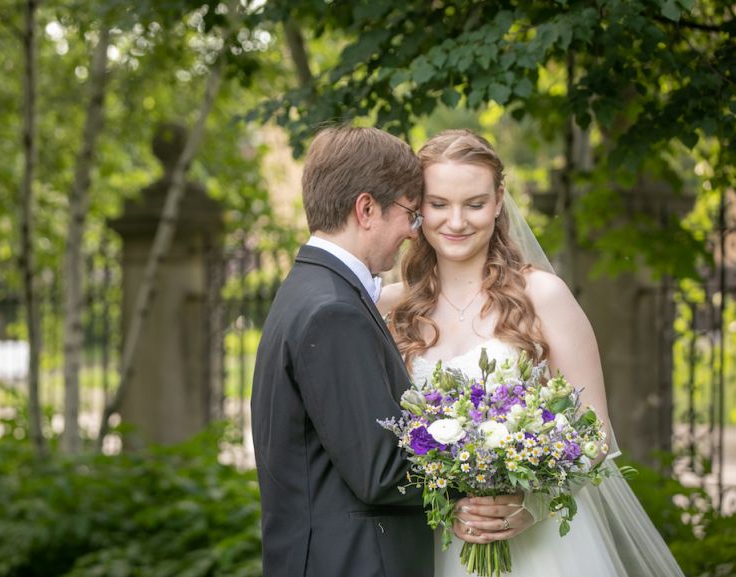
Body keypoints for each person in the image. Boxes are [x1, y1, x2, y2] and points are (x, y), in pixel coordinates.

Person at [377, 128, 686, 576]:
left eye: (475, 204)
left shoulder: (544, 296)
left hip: (541, 547)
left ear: (499, 200)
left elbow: (594, 431)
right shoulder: (390, 307)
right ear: (417, 206)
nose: (456, 221)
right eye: (439, 204)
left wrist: (532, 505)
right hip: (433, 540)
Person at [251, 125, 439, 577]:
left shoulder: (311, 289)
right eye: (410, 214)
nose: (414, 233)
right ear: (367, 208)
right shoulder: (333, 312)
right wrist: (483, 453)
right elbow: (382, 472)